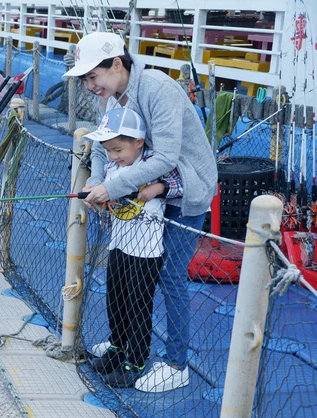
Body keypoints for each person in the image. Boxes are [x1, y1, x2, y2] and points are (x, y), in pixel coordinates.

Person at [64, 32, 218, 393]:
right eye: (86, 79)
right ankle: (125, 345)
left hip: (184, 192)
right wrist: (98, 182)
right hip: (145, 194)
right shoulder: (112, 98)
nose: (90, 86)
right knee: (131, 273)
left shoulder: (156, 88)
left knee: (169, 275)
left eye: (92, 77)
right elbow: (102, 149)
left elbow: (165, 156)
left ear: (117, 65)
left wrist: (111, 188)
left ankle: (177, 363)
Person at [83, 107, 182, 388]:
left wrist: (157, 188)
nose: (114, 156)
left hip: (146, 253)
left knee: (138, 305)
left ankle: (136, 360)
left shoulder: (153, 162)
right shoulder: (114, 166)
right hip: (119, 245)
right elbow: (106, 187)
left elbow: (179, 183)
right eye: (109, 151)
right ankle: (117, 347)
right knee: (115, 299)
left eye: (118, 149)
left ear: (139, 142)